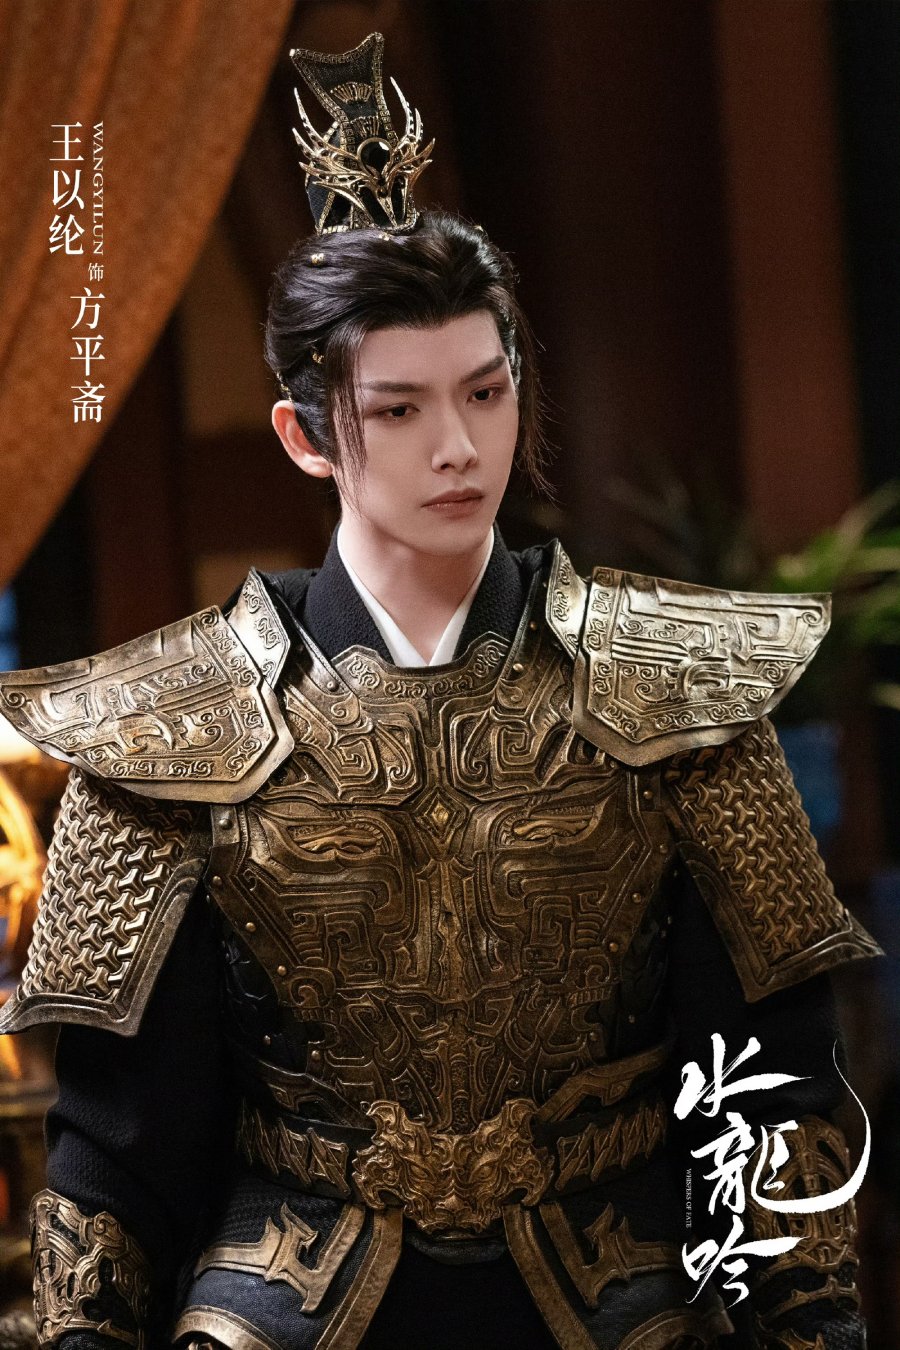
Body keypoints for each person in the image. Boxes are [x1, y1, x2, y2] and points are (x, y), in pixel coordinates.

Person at [0, 31, 881, 1350]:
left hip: (620, 1307)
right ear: (306, 434)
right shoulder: (169, 723)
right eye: (400, 409)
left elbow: (773, 1091)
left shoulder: (680, 690)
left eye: (485, 391)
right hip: (278, 1314)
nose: (459, 447)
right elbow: (120, 1153)